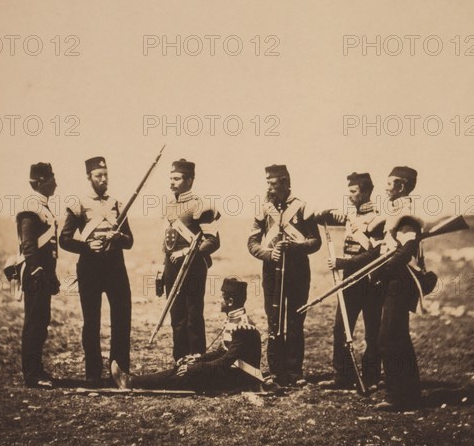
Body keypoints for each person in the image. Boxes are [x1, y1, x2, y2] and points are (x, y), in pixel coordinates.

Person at [340, 166, 423, 411]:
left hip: (400, 280)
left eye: (390, 184)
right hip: (392, 279)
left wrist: (381, 271)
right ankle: (409, 394)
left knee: (388, 337)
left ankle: (400, 397)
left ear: (401, 188)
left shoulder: (406, 213)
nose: (385, 188)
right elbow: (388, 248)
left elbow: (406, 251)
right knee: (398, 337)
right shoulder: (396, 210)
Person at [112, 277, 262, 392]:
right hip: (232, 374)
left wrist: (195, 368)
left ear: (230, 301)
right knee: (184, 369)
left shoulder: (243, 327)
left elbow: (225, 361)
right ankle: (133, 381)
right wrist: (196, 359)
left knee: (186, 374)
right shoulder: (235, 320)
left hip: (241, 381)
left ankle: (132, 383)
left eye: (221, 297)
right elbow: (222, 352)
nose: (218, 301)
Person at [59, 156, 133, 386]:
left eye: (106, 175)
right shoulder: (78, 203)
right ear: (89, 177)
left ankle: (119, 372)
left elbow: (130, 241)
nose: (103, 179)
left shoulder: (117, 204)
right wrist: (87, 245)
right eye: (98, 175)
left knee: (122, 319)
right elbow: (64, 239)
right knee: (91, 322)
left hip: (115, 268)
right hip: (90, 268)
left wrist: (118, 237)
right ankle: (92, 374)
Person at [247, 164, 321, 387]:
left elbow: (315, 241)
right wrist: (269, 254)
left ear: (285, 182)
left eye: (273, 182)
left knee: (296, 320)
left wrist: (294, 247)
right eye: (267, 182)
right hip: (271, 271)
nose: (269, 186)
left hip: (298, 271)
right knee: (274, 319)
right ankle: (276, 370)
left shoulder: (302, 207)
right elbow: (251, 242)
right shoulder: (262, 209)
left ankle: (295, 371)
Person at [314, 172, 383, 389]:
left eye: (353, 191)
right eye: (349, 191)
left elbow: (376, 253)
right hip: (350, 281)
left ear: (365, 192)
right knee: (341, 327)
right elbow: (320, 217)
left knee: (373, 330)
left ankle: (371, 377)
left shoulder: (378, 218)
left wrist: (343, 263)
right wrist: (327, 214)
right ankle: (343, 376)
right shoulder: (351, 214)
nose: (350, 195)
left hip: (371, 280)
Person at [160, 159, 220, 362]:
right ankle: (180, 359)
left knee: (193, 315)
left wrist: (187, 253)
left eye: (176, 178)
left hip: (193, 267)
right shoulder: (169, 206)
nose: (171, 183)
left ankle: (196, 360)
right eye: (170, 178)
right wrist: (162, 267)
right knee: (176, 315)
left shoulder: (199, 206)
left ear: (190, 180)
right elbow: (168, 242)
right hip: (171, 267)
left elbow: (213, 241)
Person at [17, 162, 60, 388]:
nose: (56, 183)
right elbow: (28, 244)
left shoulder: (43, 207)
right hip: (35, 275)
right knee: (34, 323)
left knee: (41, 321)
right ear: (41, 181)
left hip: (42, 274)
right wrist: (36, 270)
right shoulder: (31, 207)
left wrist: (51, 276)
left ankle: (36, 369)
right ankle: (32, 374)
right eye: (52, 179)